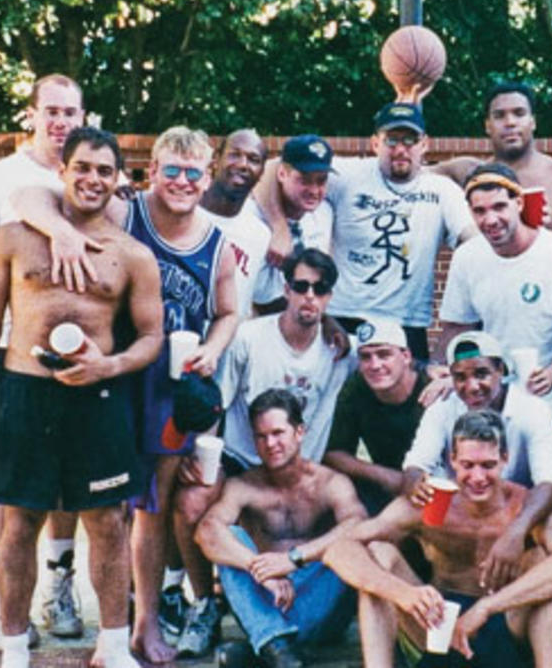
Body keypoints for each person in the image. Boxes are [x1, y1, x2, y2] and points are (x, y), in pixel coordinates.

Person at [10, 125, 239, 663]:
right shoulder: (124, 213)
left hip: (169, 384)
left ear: (207, 180)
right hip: (109, 371)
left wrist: (216, 344)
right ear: (151, 174)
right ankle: (76, 606)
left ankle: (143, 624)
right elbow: (33, 196)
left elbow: (230, 310)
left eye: (193, 173)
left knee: (151, 505)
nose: (182, 182)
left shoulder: (217, 241)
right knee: (97, 503)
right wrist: (61, 234)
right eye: (172, 171)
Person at [0, 127, 163, 668]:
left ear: (118, 182)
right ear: (63, 172)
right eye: (83, 168)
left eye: (105, 171)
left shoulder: (133, 256)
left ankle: (113, 645)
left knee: (108, 521)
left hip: (96, 399)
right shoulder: (14, 239)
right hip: (24, 394)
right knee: (20, 524)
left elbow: (151, 338)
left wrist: (108, 365)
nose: (93, 179)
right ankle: (14, 647)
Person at [0, 74, 89, 642]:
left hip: (77, 353)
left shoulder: (94, 173)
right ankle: (13, 603)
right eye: (50, 111)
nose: (60, 122)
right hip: (11, 353)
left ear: (85, 117)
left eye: (71, 112)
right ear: (32, 115)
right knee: (12, 489)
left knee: (69, 485)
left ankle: (59, 586)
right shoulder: (1, 178)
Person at [172, 246, 354, 657]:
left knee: (349, 543)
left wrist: (435, 377)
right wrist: (201, 457)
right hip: (243, 456)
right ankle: (205, 606)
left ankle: (267, 644)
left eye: (321, 289)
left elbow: (390, 366)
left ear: (330, 296)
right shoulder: (251, 338)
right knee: (195, 502)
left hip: (303, 462)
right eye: (301, 286)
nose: (310, 296)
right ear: (285, 289)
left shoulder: (341, 349)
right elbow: (217, 401)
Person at [323, 409, 552, 667]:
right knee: (379, 554)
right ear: (452, 461)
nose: (478, 477)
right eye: (468, 466)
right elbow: (339, 550)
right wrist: (403, 593)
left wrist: (486, 608)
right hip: (435, 625)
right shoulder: (433, 504)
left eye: (488, 465)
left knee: (543, 566)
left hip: (504, 623)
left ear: (505, 459)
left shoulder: (524, 506)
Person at [258, 102, 475, 359]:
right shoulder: (351, 174)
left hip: (405, 324)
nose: (401, 149)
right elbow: (271, 169)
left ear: (424, 144)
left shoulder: (441, 190)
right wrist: (279, 227)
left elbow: (470, 237)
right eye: (391, 140)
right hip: (342, 319)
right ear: (375, 144)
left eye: (410, 140)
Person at [195, 389, 366, 668]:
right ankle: (278, 648)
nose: (270, 443)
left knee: (347, 543)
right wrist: (259, 569)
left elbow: (358, 524)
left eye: (278, 433)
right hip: (264, 601)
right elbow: (206, 531)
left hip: (317, 601)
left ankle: (267, 649)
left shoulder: (330, 482)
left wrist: (292, 559)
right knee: (229, 537)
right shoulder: (244, 486)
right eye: (261, 437)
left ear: (299, 432)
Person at [438, 163, 552, 449]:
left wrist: (550, 375)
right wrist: (439, 368)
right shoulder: (467, 257)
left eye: (500, 207)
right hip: (492, 399)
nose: (491, 219)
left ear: (519, 202)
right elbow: (457, 326)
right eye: (480, 211)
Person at [402, 332, 552, 594]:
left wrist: (516, 532)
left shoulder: (532, 409)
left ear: (500, 370)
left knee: (549, 542)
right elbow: (416, 463)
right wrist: (414, 482)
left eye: (481, 374)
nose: (471, 386)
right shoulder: (443, 407)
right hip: (462, 514)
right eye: (460, 377)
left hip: (514, 514)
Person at [430, 80, 552, 244]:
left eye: (519, 113)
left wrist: (548, 246)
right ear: (488, 125)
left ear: (533, 122)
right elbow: (411, 174)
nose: (510, 122)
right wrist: (410, 97)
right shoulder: (466, 172)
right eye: (499, 115)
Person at [323, 317, 429, 513]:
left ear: (406, 356)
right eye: (365, 357)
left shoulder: (432, 388)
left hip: (433, 486)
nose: (375, 365)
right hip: (386, 485)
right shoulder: (357, 388)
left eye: (384, 354)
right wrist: (385, 476)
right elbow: (335, 453)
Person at [252, 134, 335, 314]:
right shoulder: (253, 218)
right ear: (282, 174)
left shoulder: (324, 214)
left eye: (321, 180)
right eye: (304, 179)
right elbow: (258, 297)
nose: (314, 190)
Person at [199, 129, 271, 317]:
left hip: (228, 342)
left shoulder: (260, 235)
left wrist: (323, 319)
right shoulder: (184, 211)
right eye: (234, 154)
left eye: (253, 159)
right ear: (216, 159)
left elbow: (266, 299)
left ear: (262, 171)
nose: (243, 164)